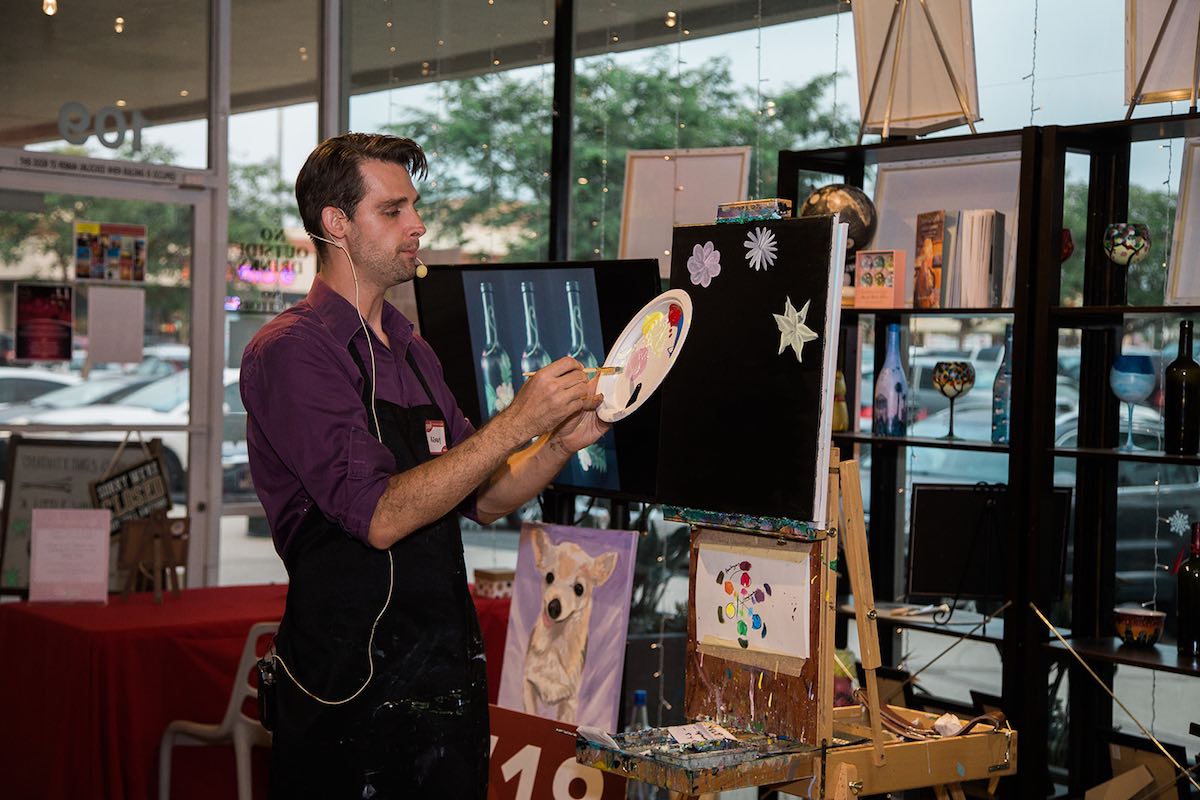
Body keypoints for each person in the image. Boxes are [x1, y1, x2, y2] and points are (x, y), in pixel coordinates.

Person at [240, 132, 609, 799]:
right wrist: (519, 421)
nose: (418, 224)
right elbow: (378, 516)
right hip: (346, 695)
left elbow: (485, 498)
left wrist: (558, 442)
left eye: (415, 205)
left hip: (442, 685)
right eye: (393, 210)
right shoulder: (294, 351)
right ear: (337, 224)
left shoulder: (413, 350)